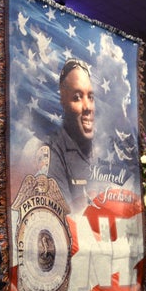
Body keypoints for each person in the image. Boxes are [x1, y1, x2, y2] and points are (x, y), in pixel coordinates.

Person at [37, 58, 96, 210]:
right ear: (63, 101)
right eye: (77, 97)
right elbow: (65, 216)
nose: (87, 107)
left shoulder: (99, 150)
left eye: (90, 97)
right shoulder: (53, 152)